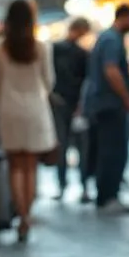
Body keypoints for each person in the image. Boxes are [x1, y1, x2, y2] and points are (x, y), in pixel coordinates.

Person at [0, 0, 57, 242]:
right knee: (30, 166)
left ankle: (22, 216)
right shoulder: (42, 47)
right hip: (36, 111)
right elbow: (49, 82)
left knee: (15, 166)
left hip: (9, 110)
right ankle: (28, 215)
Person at [85, 3, 129, 215]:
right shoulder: (112, 39)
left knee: (107, 150)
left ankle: (105, 195)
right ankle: (109, 196)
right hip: (110, 104)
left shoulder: (106, 37)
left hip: (102, 104)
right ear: (125, 17)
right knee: (113, 151)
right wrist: (126, 96)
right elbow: (111, 70)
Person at [51, 17, 91, 200]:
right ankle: (83, 187)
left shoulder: (55, 49)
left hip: (59, 102)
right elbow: (86, 81)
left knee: (62, 146)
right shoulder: (81, 53)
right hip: (74, 104)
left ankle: (63, 186)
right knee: (81, 147)